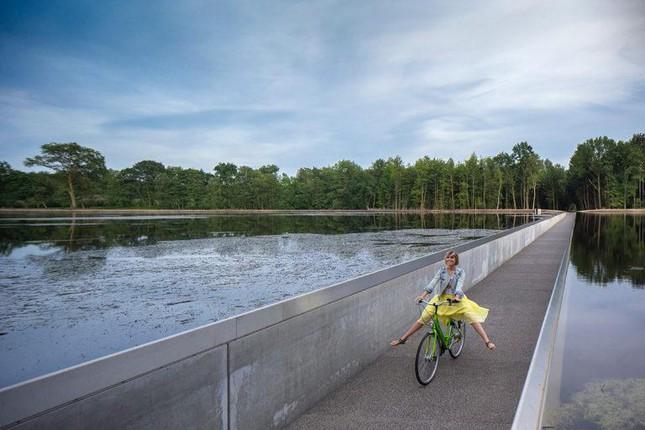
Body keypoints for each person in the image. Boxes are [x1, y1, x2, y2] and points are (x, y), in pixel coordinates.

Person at [390, 250, 496, 350]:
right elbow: (432, 283)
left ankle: (487, 341)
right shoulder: (441, 271)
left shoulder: (460, 272)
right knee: (424, 317)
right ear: (445, 259)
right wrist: (423, 296)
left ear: (456, 260)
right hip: (441, 299)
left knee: (471, 317)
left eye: (452, 257)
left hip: (456, 300)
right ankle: (403, 339)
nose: (450, 259)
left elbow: (459, 285)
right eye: (448, 257)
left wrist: (457, 297)